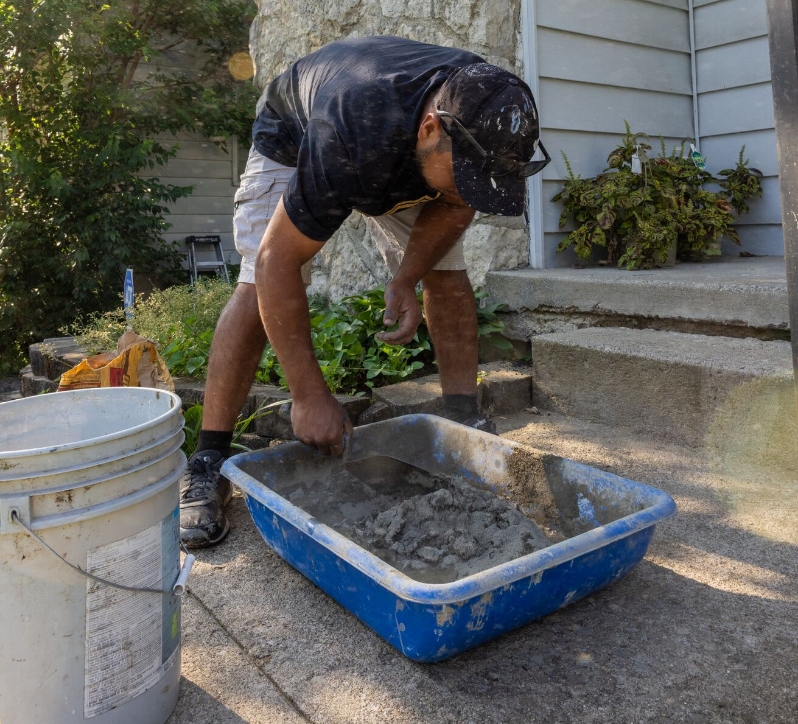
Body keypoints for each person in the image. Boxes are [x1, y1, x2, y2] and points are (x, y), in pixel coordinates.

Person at [180, 35, 550, 548]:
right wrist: (308, 396)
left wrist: (405, 278)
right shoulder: (350, 128)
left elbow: (457, 203)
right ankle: (208, 459)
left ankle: (467, 421)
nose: (471, 190)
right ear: (429, 129)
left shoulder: (482, 112)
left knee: (446, 272)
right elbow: (276, 262)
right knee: (254, 281)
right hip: (298, 131)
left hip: (398, 152)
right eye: (466, 176)